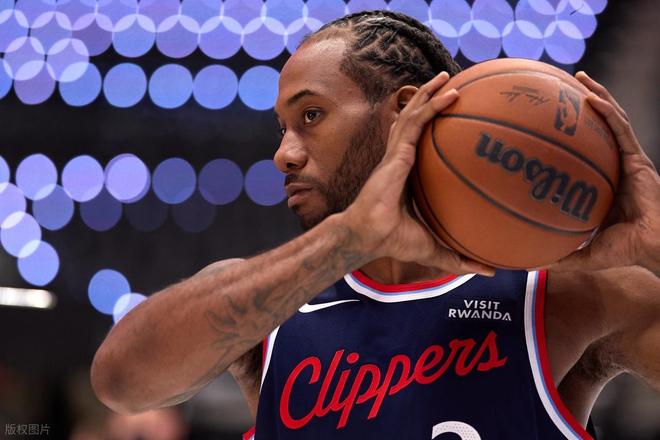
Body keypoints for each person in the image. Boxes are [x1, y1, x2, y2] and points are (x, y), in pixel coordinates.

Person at [91, 10, 660, 440]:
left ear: (404, 109)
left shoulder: (558, 292)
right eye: (282, 128)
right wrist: (347, 240)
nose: (283, 155)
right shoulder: (269, 300)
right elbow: (120, 382)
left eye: (310, 115)